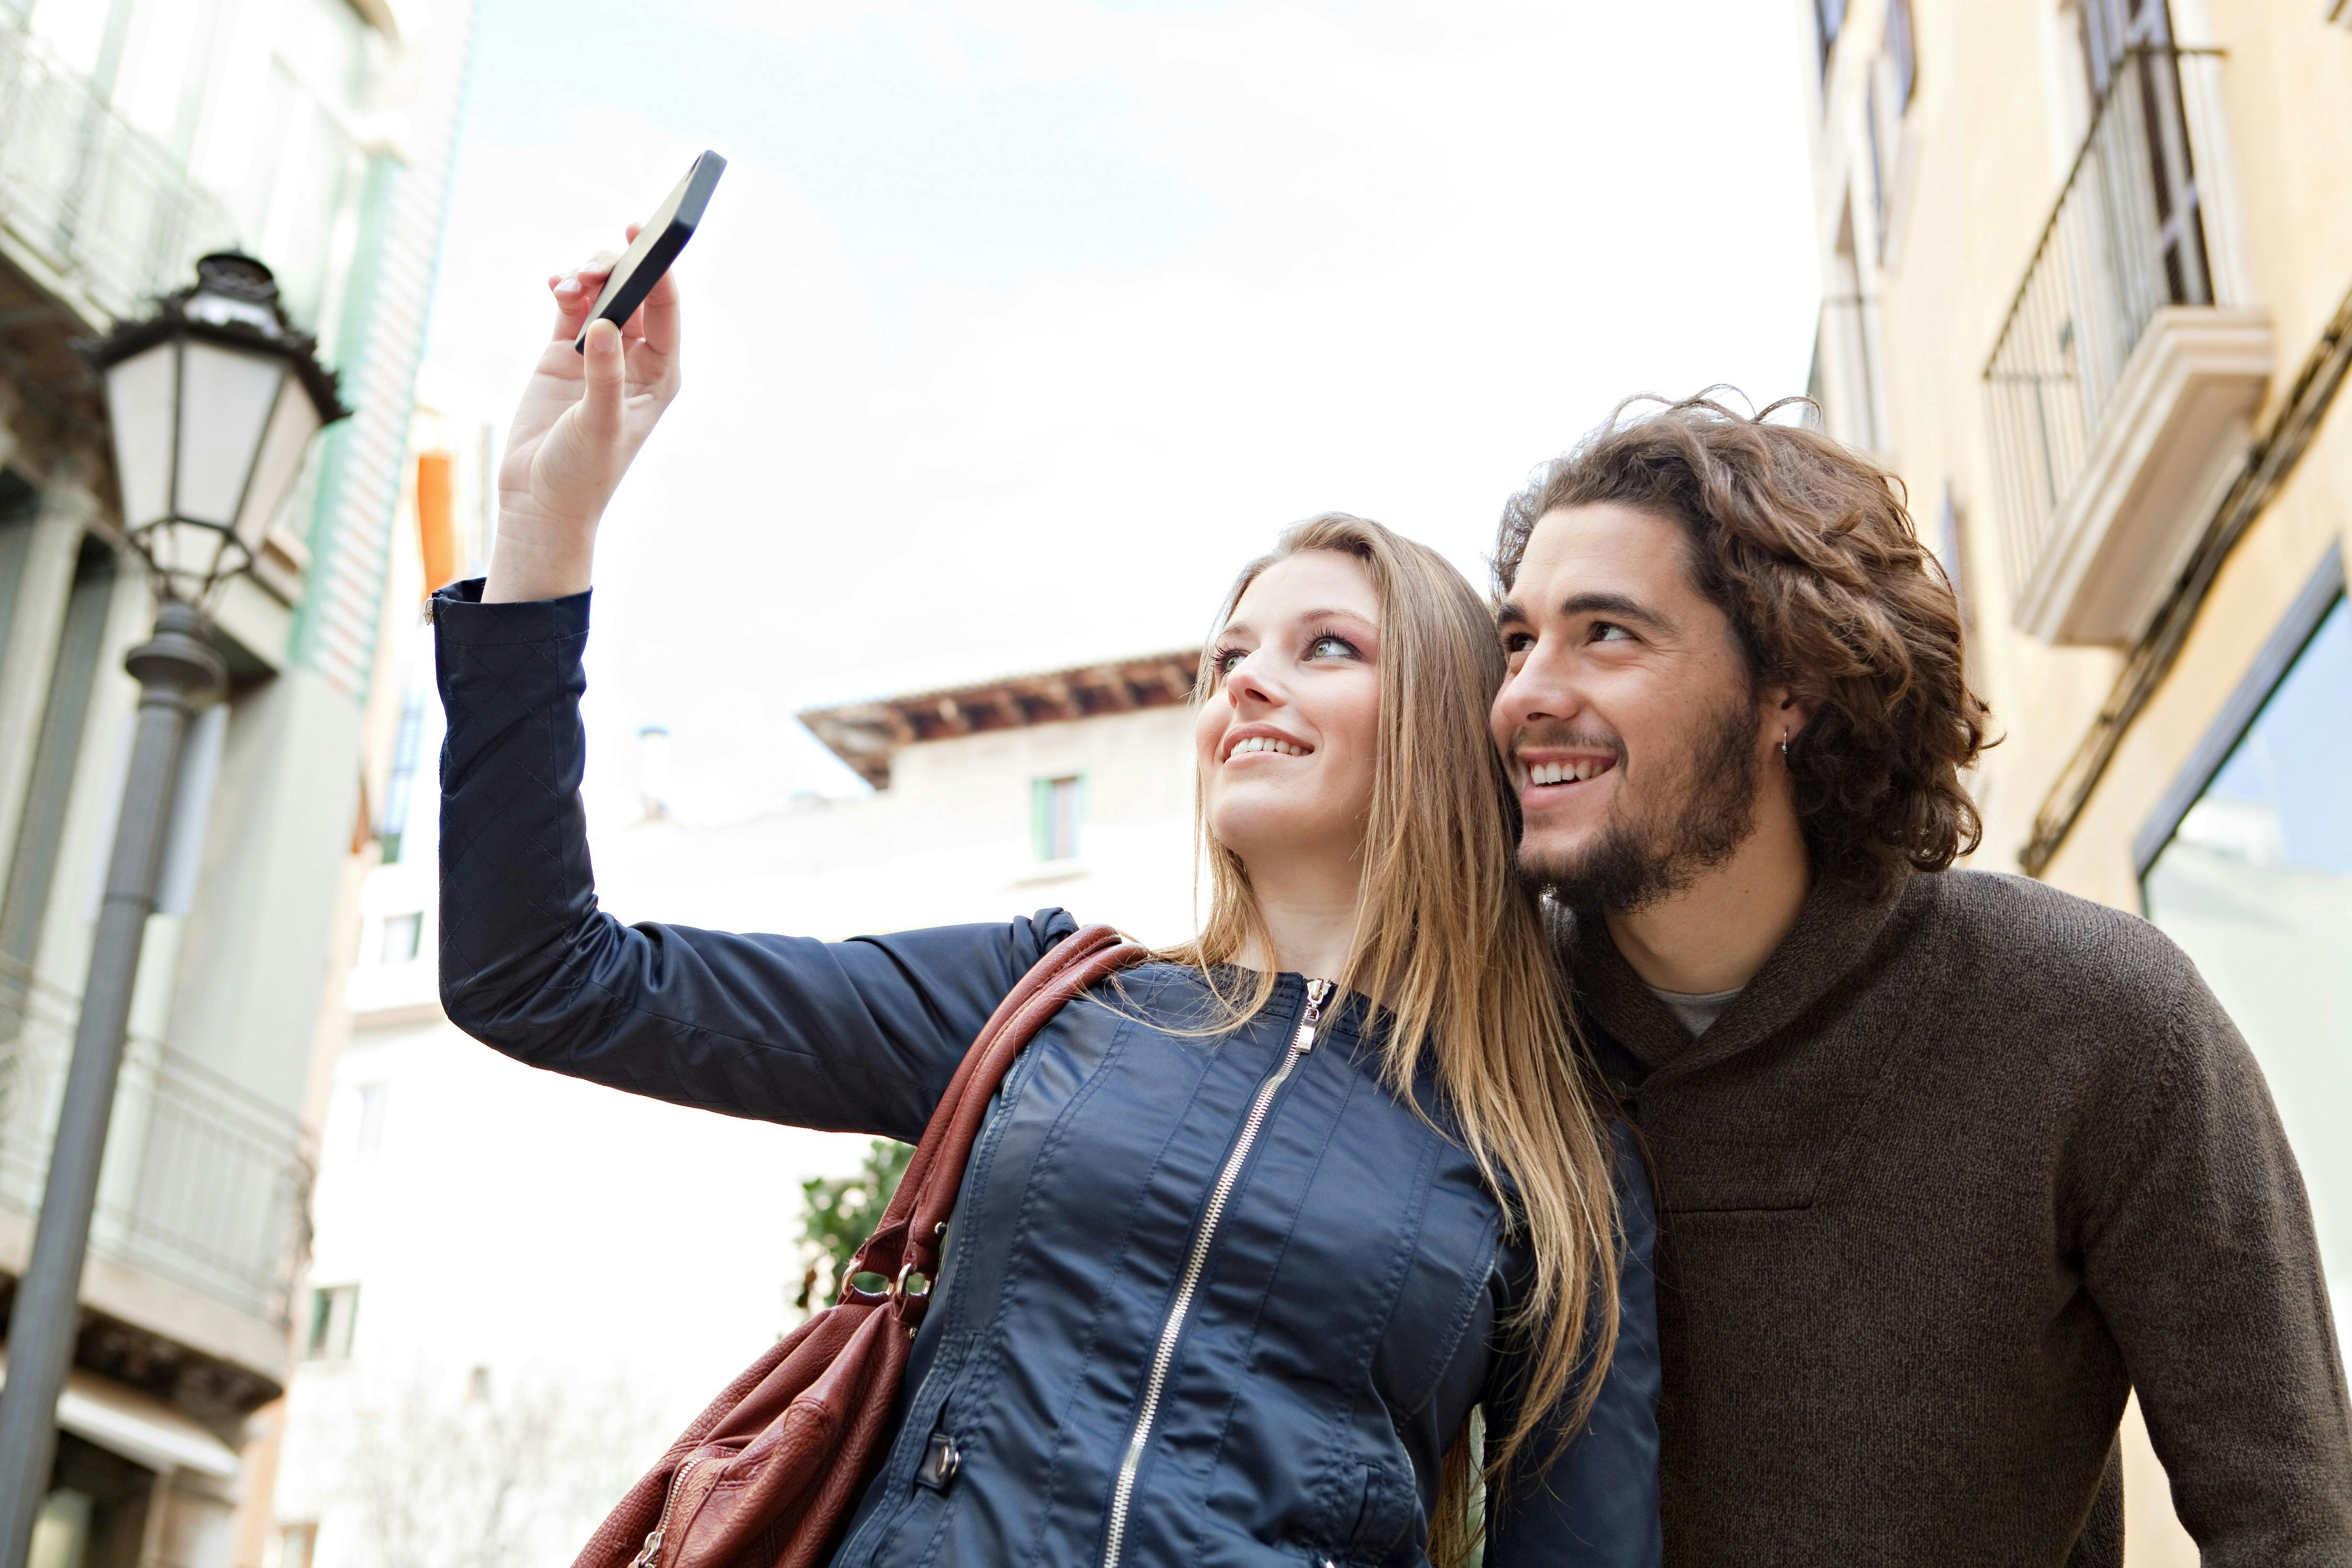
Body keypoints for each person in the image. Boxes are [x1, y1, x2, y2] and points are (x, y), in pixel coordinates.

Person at [429, 241, 1663, 1567]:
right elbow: (545, 979)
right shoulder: (1048, 1003)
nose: (1243, 685)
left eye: (1328, 649)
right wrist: (542, 534)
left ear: (1435, 719)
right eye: (1230, 656)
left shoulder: (1556, 1165)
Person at [1486, 394, 2352, 1566]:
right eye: (1518, 639)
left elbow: (2293, 1522)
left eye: (1607, 633)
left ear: (1789, 687)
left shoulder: (2098, 1019)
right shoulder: (1480, 1031)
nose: (1526, 694)